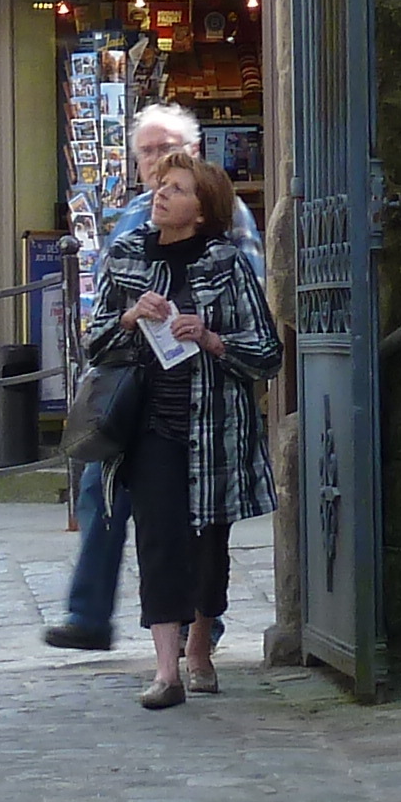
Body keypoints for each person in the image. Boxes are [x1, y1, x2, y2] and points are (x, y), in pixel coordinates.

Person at [83, 157, 280, 709]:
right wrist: (126, 320)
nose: (162, 195)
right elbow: (94, 343)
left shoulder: (227, 264)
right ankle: (166, 671)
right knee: (158, 541)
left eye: (177, 189)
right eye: (161, 186)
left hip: (213, 428)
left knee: (207, 547)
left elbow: (267, 353)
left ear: (202, 210)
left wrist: (213, 340)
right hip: (148, 424)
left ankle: (200, 649)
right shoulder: (125, 257)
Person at [44, 101, 204, 652]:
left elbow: (246, 295)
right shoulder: (134, 216)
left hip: (185, 393)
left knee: (182, 516)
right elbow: (103, 317)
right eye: (148, 153)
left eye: (167, 151)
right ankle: (90, 615)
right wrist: (127, 319)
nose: (157, 164)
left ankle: (193, 626)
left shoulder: (221, 217)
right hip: (124, 385)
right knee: (101, 496)